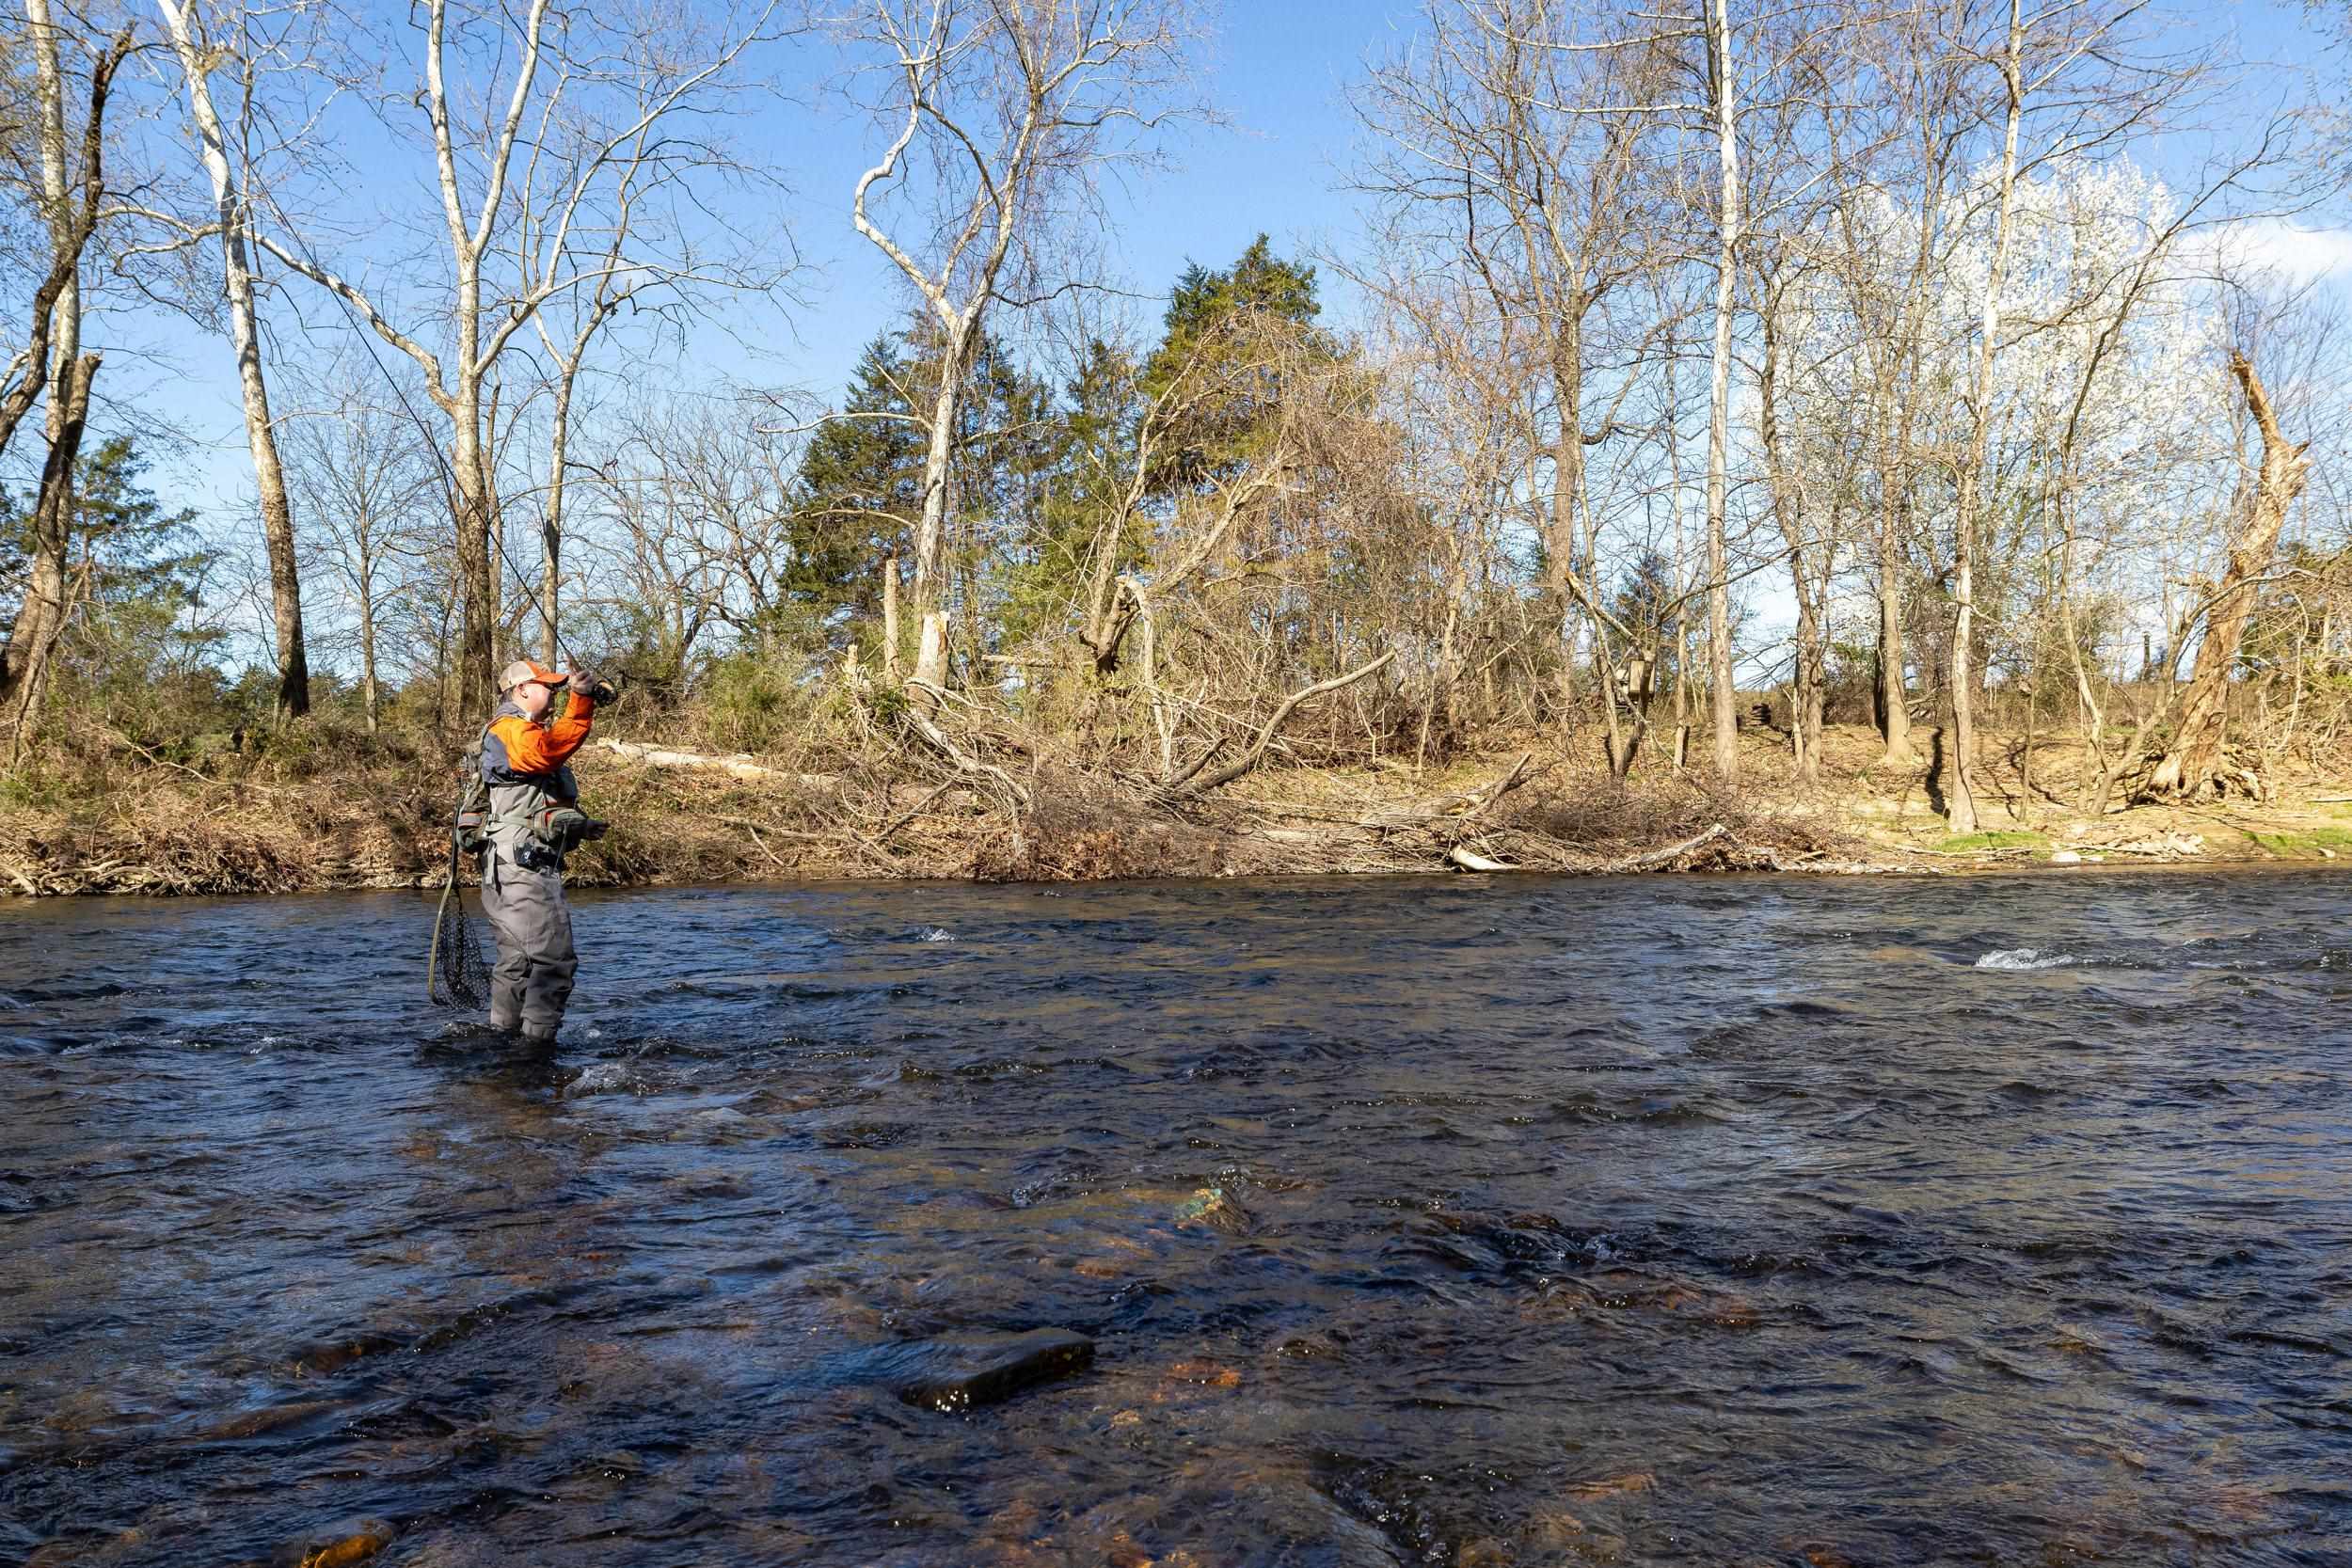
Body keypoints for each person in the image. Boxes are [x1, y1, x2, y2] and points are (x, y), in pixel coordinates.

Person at [477, 658, 604, 1044]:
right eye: (550, 688)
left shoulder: (514, 731)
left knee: (517, 963)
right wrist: (581, 702)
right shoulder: (512, 729)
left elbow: (530, 804)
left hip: (504, 866)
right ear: (522, 691)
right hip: (522, 869)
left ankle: (504, 1046)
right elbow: (547, 753)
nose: (556, 696)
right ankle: (536, 1052)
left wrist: (580, 825)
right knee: (554, 962)